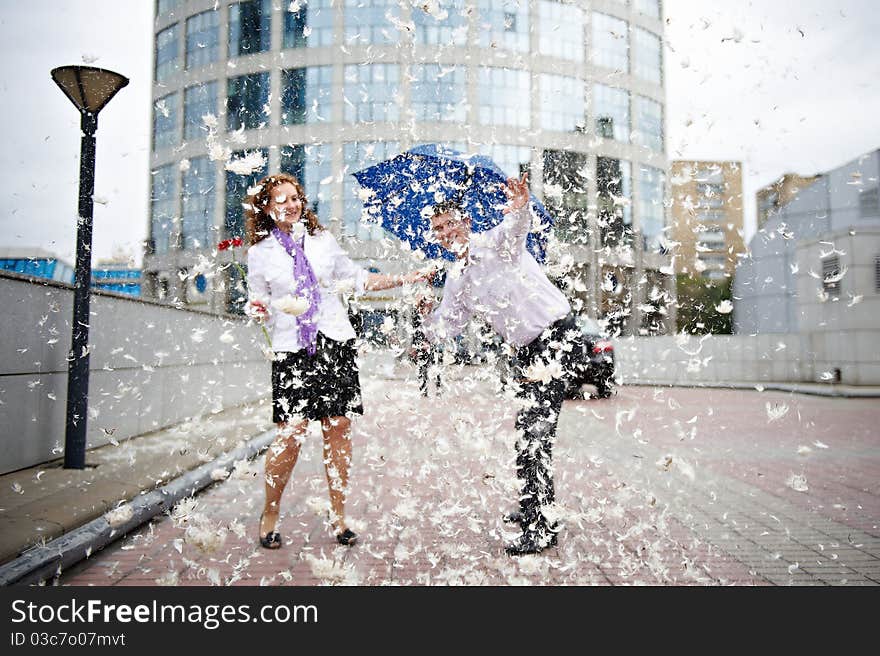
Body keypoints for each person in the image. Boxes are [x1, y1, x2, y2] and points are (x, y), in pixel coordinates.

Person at [245, 173, 427, 549]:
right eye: (281, 200)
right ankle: (271, 512)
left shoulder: (322, 241)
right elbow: (255, 300)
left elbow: (357, 278)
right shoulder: (259, 253)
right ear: (266, 207)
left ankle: (339, 515)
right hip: (292, 347)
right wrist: (257, 308)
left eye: (295, 197)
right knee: (292, 432)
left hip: (334, 340)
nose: (291, 205)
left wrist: (405, 278)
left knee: (339, 425)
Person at [418, 173, 582, 556]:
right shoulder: (456, 278)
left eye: (450, 223)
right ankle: (534, 508)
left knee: (534, 433)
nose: (445, 232)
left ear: (466, 222)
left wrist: (521, 205)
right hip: (525, 352)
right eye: (438, 228)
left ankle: (542, 528)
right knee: (528, 432)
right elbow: (446, 329)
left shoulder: (497, 245)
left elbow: (516, 227)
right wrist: (426, 318)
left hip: (556, 338)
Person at [410, 293, 442, 397]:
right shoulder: (417, 315)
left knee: (436, 367)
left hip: (433, 344)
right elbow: (415, 332)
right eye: (428, 303)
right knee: (422, 368)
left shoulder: (435, 314)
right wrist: (416, 345)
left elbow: (438, 329)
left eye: (431, 303)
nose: (430, 305)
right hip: (422, 346)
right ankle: (423, 390)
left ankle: (438, 389)